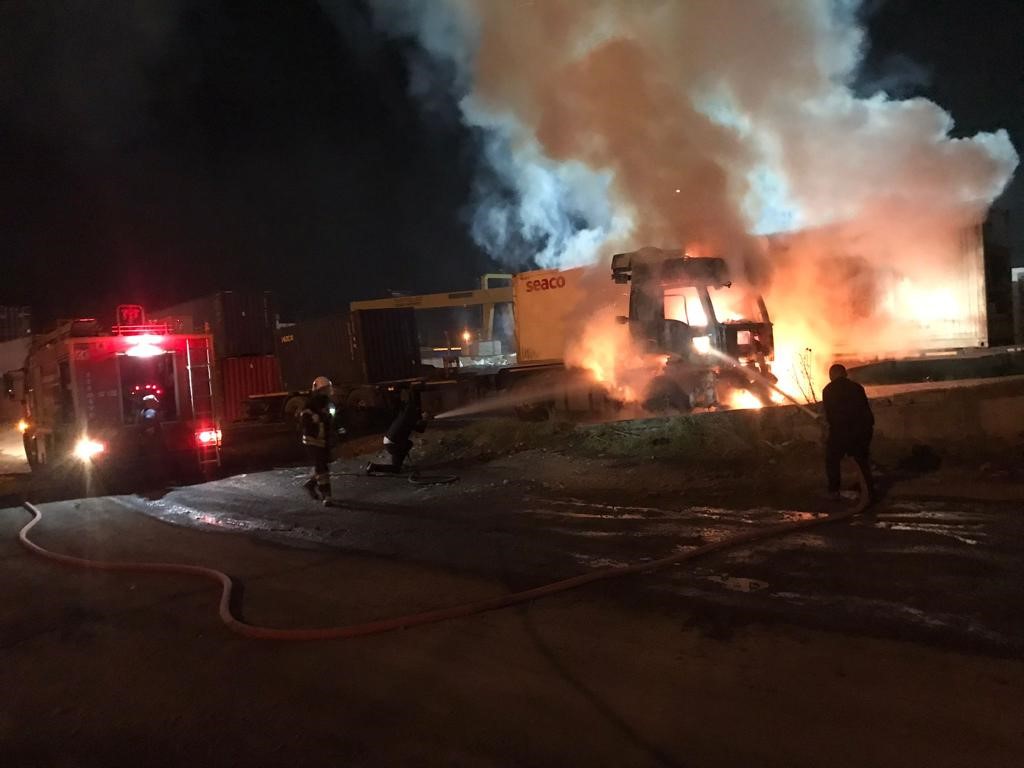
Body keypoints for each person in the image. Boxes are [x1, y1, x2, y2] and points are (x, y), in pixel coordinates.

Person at [821, 363, 875, 501]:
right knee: (861, 459)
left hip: (841, 431)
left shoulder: (828, 390)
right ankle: (868, 488)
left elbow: (831, 414)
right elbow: (865, 410)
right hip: (862, 429)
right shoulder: (857, 388)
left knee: (832, 459)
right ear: (845, 374)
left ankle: (834, 490)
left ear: (831, 375)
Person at [366, 383, 427, 474]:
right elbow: (421, 429)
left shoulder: (404, 415)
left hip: (389, 440)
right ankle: (374, 467)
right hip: (393, 444)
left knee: (408, 443)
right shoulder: (409, 419)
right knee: (396, 468)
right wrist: (425, 419)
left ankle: (398, 463)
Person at [301, 376, 337, 504]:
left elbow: (331, 418)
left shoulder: (327, 402)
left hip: (323, 440)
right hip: (312, 441)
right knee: (322, 468)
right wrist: (315, 419)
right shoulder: (311, 403)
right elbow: (305, 419)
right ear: (321, 389)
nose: (328, 391)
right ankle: (326, 495)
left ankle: (311, 484)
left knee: (322, 466)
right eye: (326, 388)